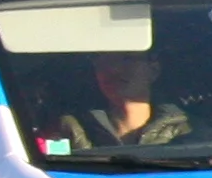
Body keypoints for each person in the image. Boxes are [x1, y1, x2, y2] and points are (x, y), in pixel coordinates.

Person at [57, 50, 192, 150]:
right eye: (104, 61)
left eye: (127, 59)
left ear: (153, 70)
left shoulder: (188, 132)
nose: (114, 69)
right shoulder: (68, 129)